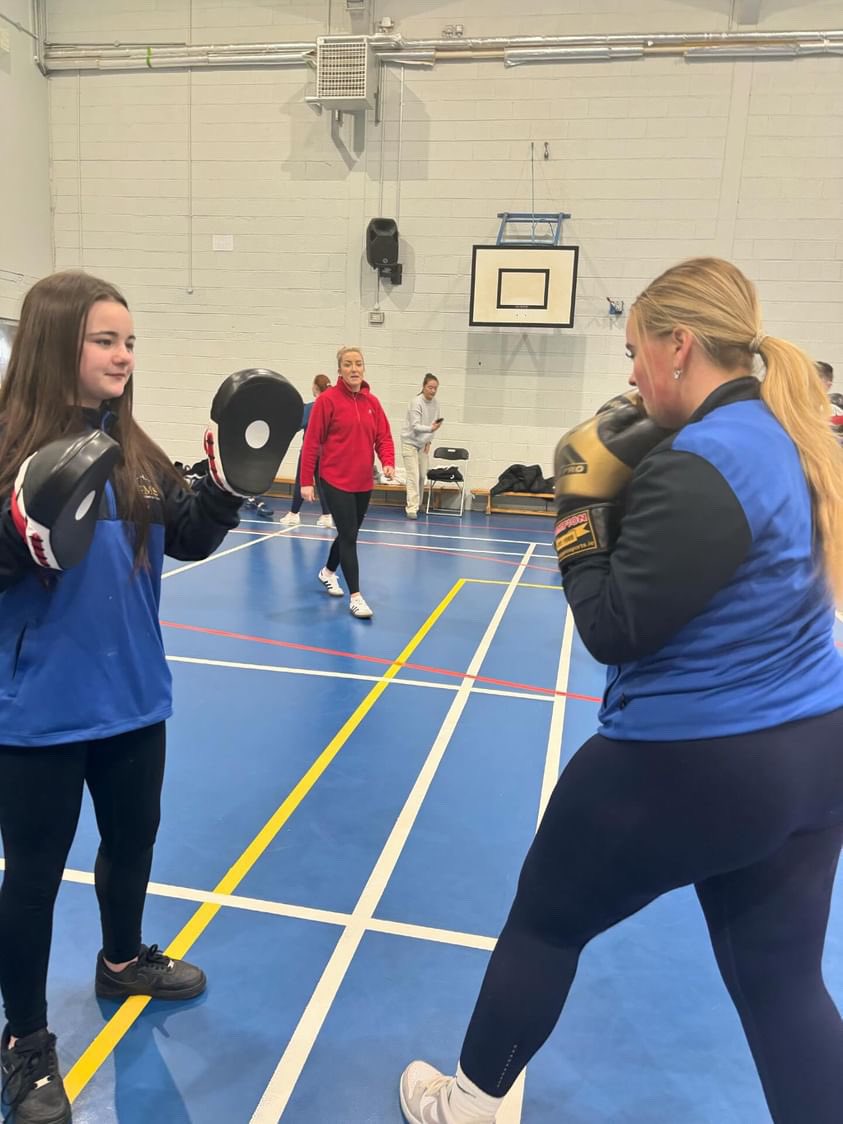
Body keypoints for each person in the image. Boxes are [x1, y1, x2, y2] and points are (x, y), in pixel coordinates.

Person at [399, 258, 843, 1124]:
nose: (631, 376)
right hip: (816, 753)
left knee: (544, 921)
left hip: (694, 759)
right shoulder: (782, 436)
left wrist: (575, 504)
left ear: (679, 348)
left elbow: (611, 626)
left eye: (637, 352)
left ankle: (469, 1106)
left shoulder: (705, 462)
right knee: (782, 985)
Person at [0, 271, 245, 1124]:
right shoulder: (6, 453)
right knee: (31, 876)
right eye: (105, 339)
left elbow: (186, 535)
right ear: (56, 344)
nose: (123, 355)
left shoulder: (134, 452)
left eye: (130, 341)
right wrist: (14, 535)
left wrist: (227, 488)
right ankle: (25, 1041)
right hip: (39, 710)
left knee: (133, 842)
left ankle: (118, 960)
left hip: (137, 698)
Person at [300, 346, 395, 619]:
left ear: (364, 368)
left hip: (363, 482)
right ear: (339, 370)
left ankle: (327, 572)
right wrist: (307, 481)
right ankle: (356, 597)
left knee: (346, 534)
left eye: (358, 364)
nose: (354, 369)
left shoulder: (372, 403)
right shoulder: (327, 401)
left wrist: (387, 461)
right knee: (350, 536)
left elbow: (384, 437)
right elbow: (312, 443)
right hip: (335, 480)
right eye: (348, 364)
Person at [280, 373, 333, 528]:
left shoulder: (312, 407)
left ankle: (294, 514)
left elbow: (295, 426)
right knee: (323, 484)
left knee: (301, 481)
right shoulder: (333, 407)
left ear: (315, 388)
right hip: (327, 453)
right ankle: (327, 516)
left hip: (310, 451)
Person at [401, 373, 443, 519]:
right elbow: (415, 426)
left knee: (422, 475)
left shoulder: (436, 404)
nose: (432, 391)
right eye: (430, 387)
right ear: (424, 387)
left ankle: (419, 504)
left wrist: (429, 441)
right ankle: (411, 508)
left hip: (423, 444)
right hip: (409, 443)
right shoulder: (416, 402)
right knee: (413, 475)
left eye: (435, 388)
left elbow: (436, 424)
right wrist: (430, 429)